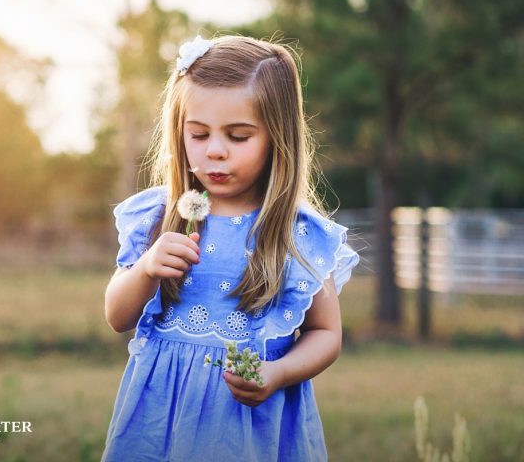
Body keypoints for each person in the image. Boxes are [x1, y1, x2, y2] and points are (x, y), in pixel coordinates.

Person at [101, 35, 360, 460]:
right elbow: (116, 316)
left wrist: (277, 373)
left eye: (238, 136)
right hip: (161, 421)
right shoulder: (157, 217)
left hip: (251, 426)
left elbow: (325, 333)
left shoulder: (296, 234)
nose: (215, 151)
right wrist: (147, 269)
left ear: (278, 138)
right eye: (199, 134)